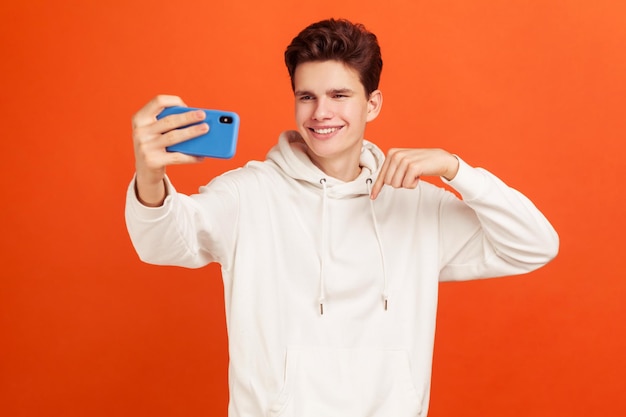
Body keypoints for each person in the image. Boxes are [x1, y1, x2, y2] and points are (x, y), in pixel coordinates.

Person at [125, 18, 558, 417]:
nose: (320, 114)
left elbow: (534, 245)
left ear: (372, 105)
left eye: (339, 95)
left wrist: (455, 169)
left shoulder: (415, 203)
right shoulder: (249, 193)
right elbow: (162, 244)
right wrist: (150, 174)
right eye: (306, 96)